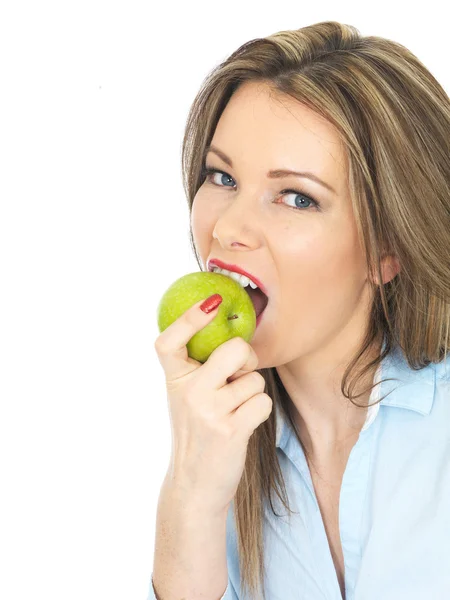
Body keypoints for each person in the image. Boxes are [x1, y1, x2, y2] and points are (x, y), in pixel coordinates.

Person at [149, 20, 450, 600]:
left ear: (387, 249)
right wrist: (190, 495)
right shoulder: (223, 466)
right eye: (222, 176)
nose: (229, 228)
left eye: (297, 197)